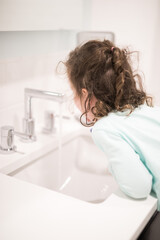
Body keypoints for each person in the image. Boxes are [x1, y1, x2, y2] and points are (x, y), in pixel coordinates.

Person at [63, 39, 160, 211]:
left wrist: (114, 167)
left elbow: (139, 188)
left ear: (85, 94)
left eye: (73, 92)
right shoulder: (147, 109)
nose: (73, 98)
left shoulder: (105, 128)